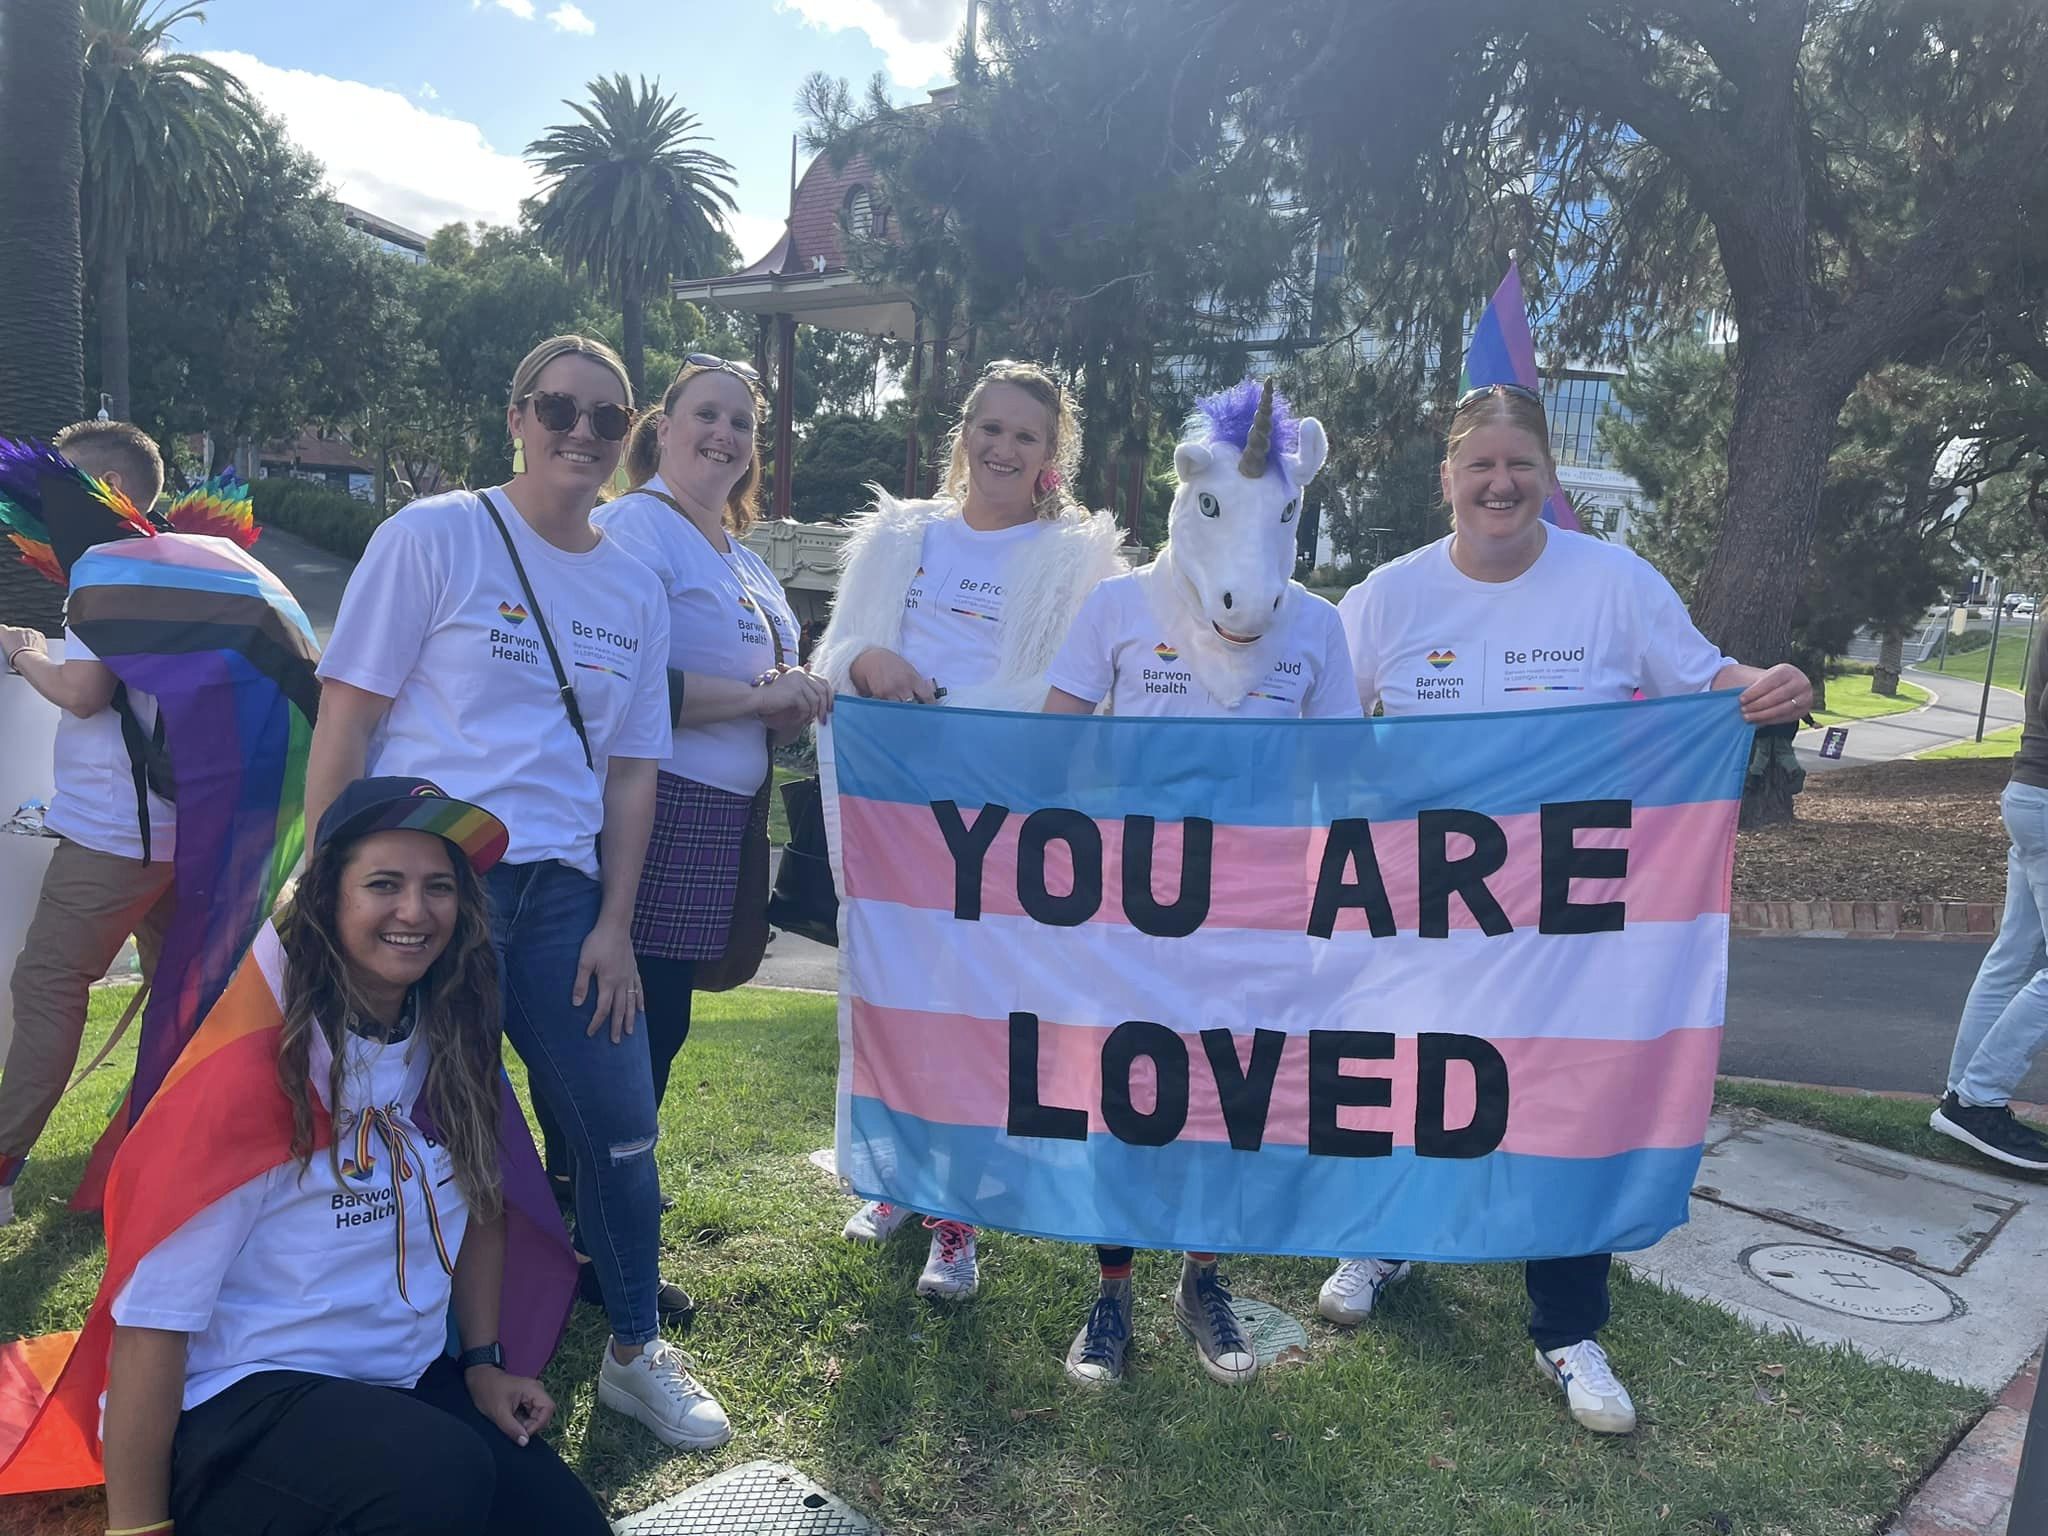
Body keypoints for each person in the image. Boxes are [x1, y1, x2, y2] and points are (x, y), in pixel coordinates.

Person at [1331, 382, 1812, 1434]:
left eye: (1519, 465)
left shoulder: (1612, 584)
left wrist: (1769, 683)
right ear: (1447, 480)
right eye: (1478, 466)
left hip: (1571, 919)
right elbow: (1305, 714)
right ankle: (1385, 1237)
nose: (1498, 483)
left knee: (1564, 1108)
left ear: (1545, 477)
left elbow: (1703, 680)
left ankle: (1564, 1329)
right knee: (1413, 1075)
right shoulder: (1386, 597)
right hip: (1428, 911)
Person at [304, 335, 729, 1449]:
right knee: (404, 1126)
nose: (578, 434)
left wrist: (614, 925)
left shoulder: (631, 583)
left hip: (561, 901)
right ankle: (393, 1348)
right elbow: (346, 724)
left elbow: (633, 772)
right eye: (557, 408)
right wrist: (325, 894)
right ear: (514, 414)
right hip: (426, 890)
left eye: (603, 417)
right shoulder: (434, 535)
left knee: (622, 1133)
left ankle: (634, 1347)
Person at [97, 776, 612, 1536]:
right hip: (241, 1403)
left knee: (566, 1526)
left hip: (397, 1386)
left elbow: (483, 1207)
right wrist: (138, 1531)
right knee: (435, 1478)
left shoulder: (450, 1043)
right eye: (384, 883)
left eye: (439, 886)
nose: (415, 910)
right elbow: (151, 1321)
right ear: (325, 898)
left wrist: (480, 1363)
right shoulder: (252, 1072)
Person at [1040, 377, 1359, 1390]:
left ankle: (1202, 1280)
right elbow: (1050, 745)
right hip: (1130, 903)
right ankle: (1110, 1292)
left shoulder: (1315, 626)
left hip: (1254, 910)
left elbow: (1344, 770)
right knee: (1122, 1094)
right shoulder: (1116, 607)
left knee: (1227, 1097)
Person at [809, 358, 1125, 1299]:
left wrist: (948, 713)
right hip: (890, 811)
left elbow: (1069, 691)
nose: (1002, 447)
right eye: (989, 428)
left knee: (978, 1008)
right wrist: (869, 659)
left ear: (1049, 455)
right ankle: (893, 1176)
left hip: (995, 818)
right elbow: (834, 652)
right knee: (888, 993)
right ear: (964, 435)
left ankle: (960, 1215)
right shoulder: (900, 537)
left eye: (1025, 435)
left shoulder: (1074, 562)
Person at [591, 355, 830, 1208]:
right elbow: (621, 689)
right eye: (706, 415)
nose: (723, 436)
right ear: (662, 427)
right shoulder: (636, 532)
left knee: (664, 1022)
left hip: (729, 813)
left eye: (741, 424)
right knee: (633, 1028)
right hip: (659, 812)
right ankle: (600, 1209)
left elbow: (763, 686)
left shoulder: (743, 554)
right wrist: (761, 697)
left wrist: (786, 705)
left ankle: (607, 1203)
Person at [0, 420, 173, 1226]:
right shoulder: (186, 560)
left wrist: (22, 653)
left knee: (48, 986)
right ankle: (165, 1165)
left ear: (103, 489)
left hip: (113, 836)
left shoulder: (107, 562)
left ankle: (1, 1168)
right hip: (189, 837)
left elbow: (85, 693)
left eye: (60, 484)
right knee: (180, 1004)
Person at [1931, 626, 2048, 1172]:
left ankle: (1962, 1096)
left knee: (2014, 956)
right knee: (2018, 959)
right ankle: (1977, 1101)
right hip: (2044, 798)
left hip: (2032, 793)